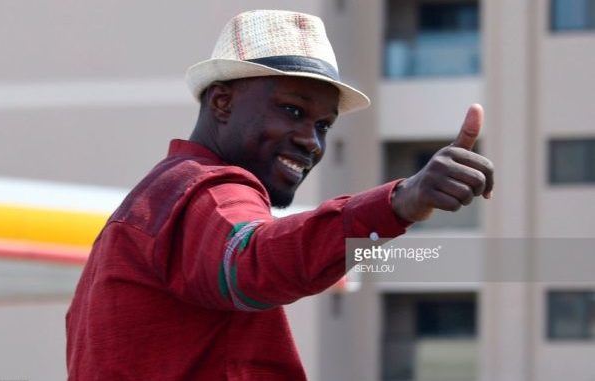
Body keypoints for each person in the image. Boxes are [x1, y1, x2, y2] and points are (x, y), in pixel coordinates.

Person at [66, 9, 494, 380]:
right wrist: (400, 201)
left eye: (324, 125)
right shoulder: (210, 192)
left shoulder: (149, 208)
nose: (312, 141)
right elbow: (251, 260)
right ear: (222, 103)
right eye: (293, 110)